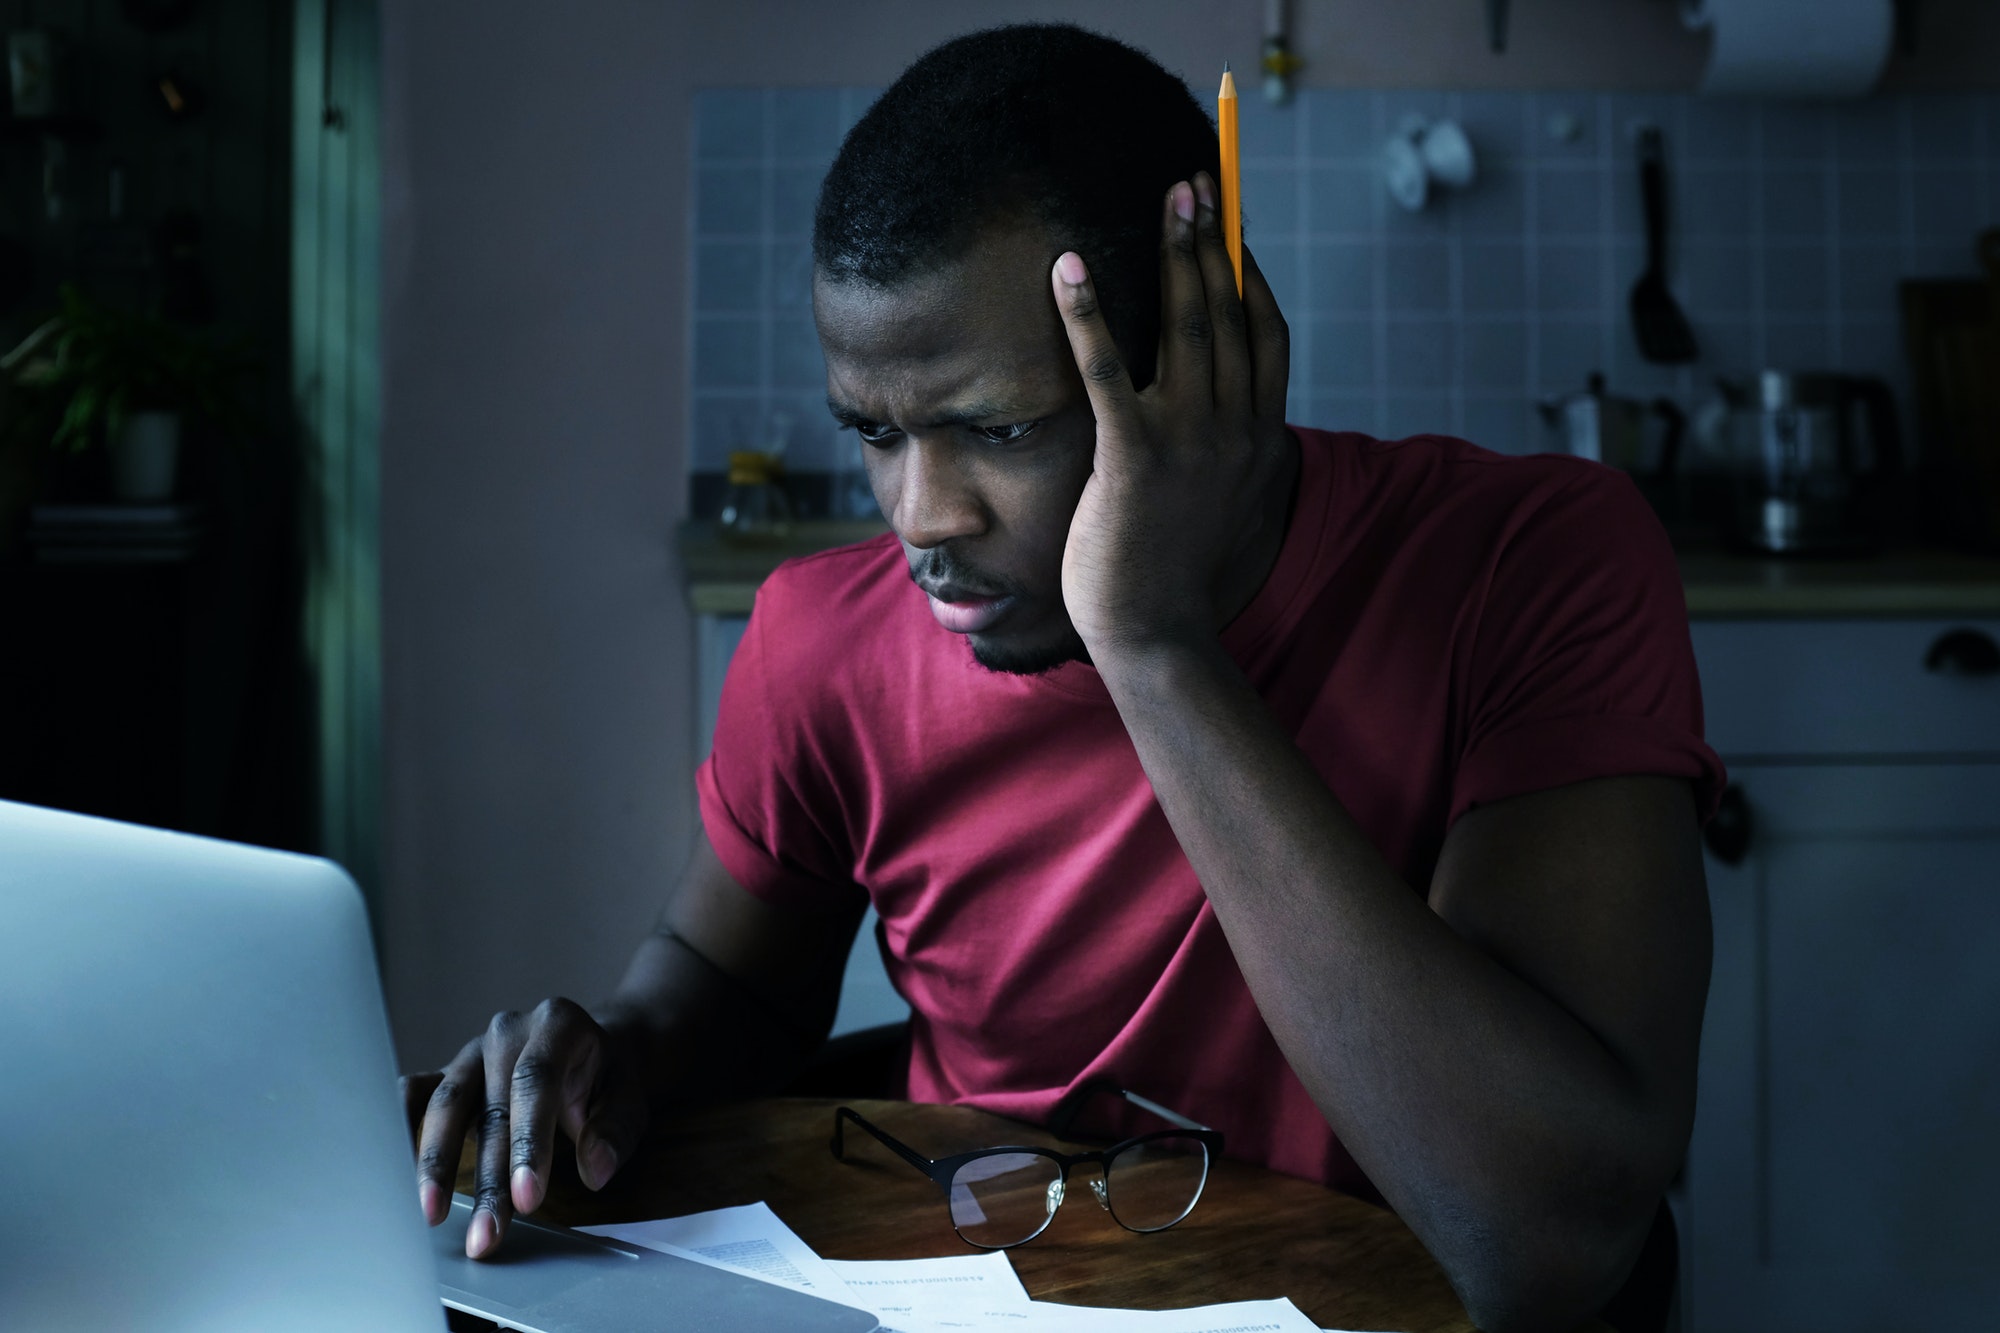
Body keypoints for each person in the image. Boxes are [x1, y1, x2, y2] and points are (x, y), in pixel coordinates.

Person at [403, 24, 1723, 1332]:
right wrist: (610, 1061)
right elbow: (728, 983)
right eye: (874, 432)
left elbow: (1542, 1243)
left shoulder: (1530, 564)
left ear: (1199, 343)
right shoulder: (823, 636)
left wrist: (1153, 644)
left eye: (998, 428)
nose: (922, 517)